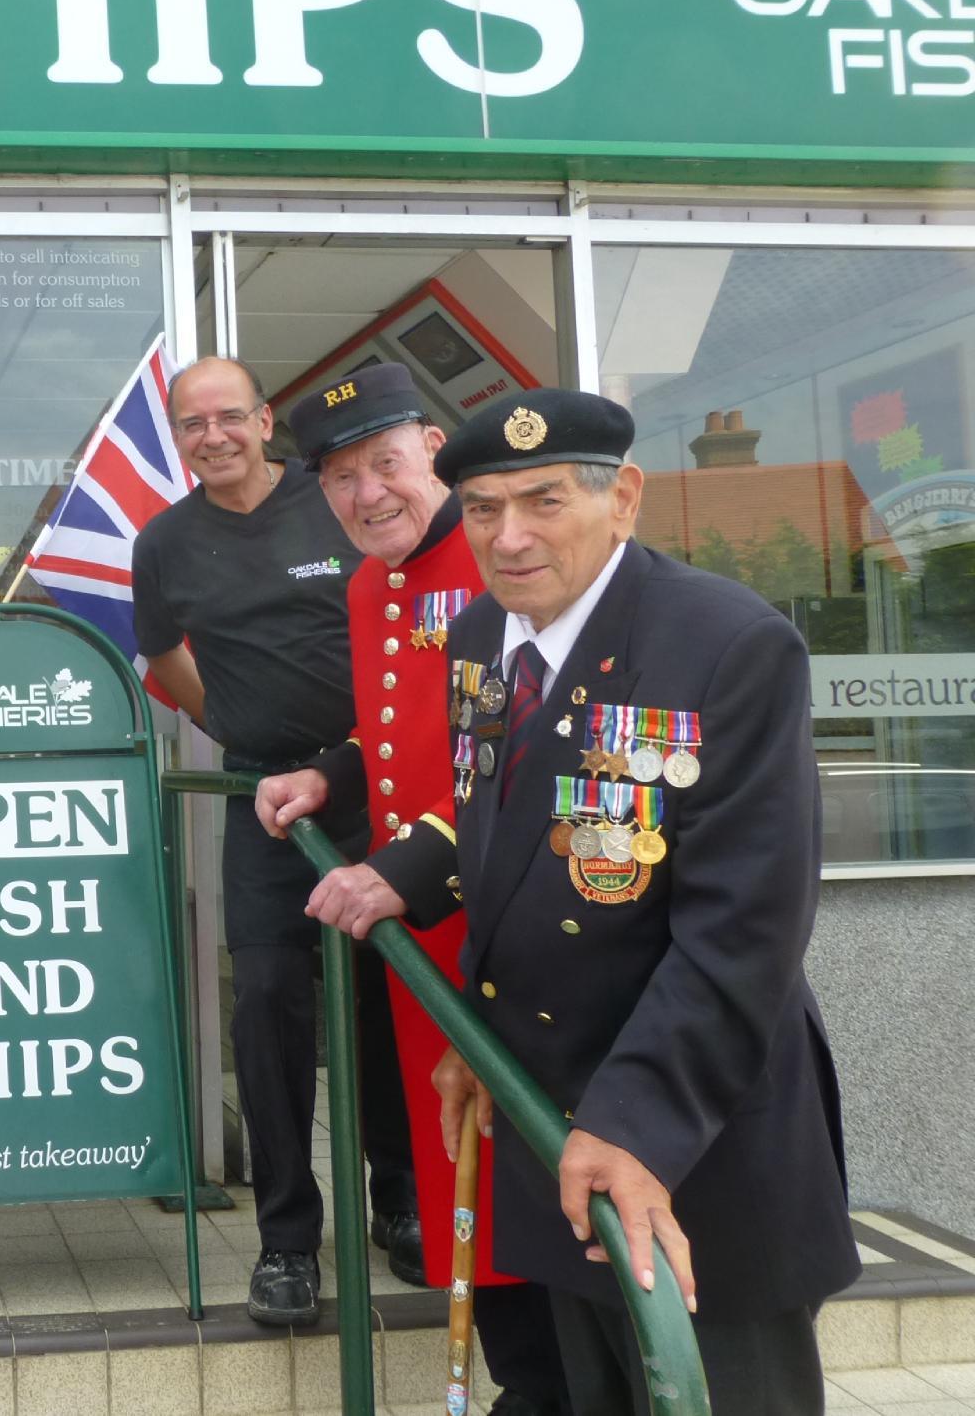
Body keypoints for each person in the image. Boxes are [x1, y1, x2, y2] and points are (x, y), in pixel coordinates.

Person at [312, 386, 860, 1414]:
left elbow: (741, 932)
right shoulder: (479, 637)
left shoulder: (723, 646)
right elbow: (499, 831)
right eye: (480, 508)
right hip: (546, 1105)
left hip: (687, 1127)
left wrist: (634, 1124)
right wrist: (477, 1035)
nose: (507, 537)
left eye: (543, 500)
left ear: (623, 498)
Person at [254, 363, 569, 1415]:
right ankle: (522, 1382)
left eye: (382, 464)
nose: (365, 495)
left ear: (430, 448)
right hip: (418, 930)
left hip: (515, 918)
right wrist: (329, 774)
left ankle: (560, 1384)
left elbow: (527, 754)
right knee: (458, 1172)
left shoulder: (502, 562)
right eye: (338, 479)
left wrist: (398, 867)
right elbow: (399, 726)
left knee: (527, 1165)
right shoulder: (364, 582)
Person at [132, 354, 418, 1327]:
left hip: (373, 786)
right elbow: (160, 653)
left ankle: (402, 1202)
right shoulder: (163, 541)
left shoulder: (333, 505)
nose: (210, 436)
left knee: (388, 996)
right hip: (263, 800)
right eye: (189, 424)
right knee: (265, 1007)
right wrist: (234, 724)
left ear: (261, 420)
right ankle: (286, 1242)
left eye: (226, 417)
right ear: (176, 438)